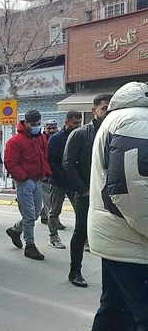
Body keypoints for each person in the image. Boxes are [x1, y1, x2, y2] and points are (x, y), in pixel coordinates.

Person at [82, 82, 148, 331]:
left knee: (114, 312)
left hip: (119, 237)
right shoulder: (134, 120)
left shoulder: (125, 118)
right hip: (131, 240)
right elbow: (130, 191)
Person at [63, 94, 112, 288]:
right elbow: (68, 164)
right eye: (105, 108)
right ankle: (75, 270)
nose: (109, 112)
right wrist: (83, 190)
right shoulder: (81, 134)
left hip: (110, 194)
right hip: (86, 193)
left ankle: (112, 277)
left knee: (110, 235)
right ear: (94, 111)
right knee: (81, 232)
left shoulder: (117, 132)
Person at [4, 109, 51, 260]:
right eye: (34, 124)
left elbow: (44, 156)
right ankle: (30, 245)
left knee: (36, 212)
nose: (37, 126)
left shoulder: (41, 138)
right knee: (30, 215)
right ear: (27, 123)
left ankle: (16, 230)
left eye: (39, 124)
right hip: (25, 181)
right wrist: (23, 177)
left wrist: (46, 173)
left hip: (37, 179)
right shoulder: (15, 141)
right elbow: (10, 162)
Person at [46, 111, 83, 251]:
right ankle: (53, 237)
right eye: (75, 123)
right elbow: (52, 163)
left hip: (75, 182)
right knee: (55, 211)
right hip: (58, 181)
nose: (77, 125)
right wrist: (64, 177)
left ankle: (82, 239)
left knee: (80, 211)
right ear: (66, 122)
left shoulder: (80, 136)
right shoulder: (55, 139)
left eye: (79, 123)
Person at [40, 119, 59, 224]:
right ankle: (53, 222)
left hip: (56, 172)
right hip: (45, 174)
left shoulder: (58, 138)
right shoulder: (40, 139)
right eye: (49, 128)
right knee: (49, 198)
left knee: (51, 198)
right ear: (44, 128)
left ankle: (44, 215)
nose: (51, 130)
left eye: (54, 128)